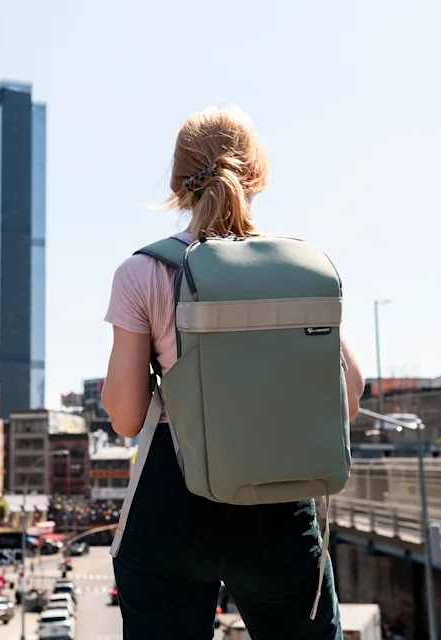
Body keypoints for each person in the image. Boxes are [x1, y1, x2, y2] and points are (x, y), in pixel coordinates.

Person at [102, 105, 365, 640]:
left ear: (179, 183)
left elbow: (127, 417)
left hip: (172, 498)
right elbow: (349, 397)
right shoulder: (302, 270)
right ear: (257, 175)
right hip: (277, 496)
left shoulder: (144, 271)